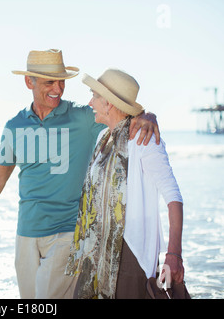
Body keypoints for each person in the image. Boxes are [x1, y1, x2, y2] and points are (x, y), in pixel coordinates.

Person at [0, 49, 160, 299]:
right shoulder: (14, 126)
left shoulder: (83, 118)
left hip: (67, 233)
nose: (58, 88)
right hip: (26, 233)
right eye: (49, 82)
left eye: (61, 81)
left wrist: (147, 115)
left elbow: (121, 113)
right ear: (28, 82)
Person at [65, 69, 184, 299]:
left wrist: (174, 254)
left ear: (108, 103)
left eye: (94, 96)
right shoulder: (103, 139)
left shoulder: (144, 140)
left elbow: (173, 196)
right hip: (96, 250)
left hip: (130, 252)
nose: (90, 101)